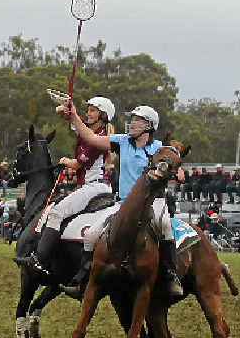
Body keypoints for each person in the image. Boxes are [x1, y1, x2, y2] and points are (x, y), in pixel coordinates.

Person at [56, 102, 183, 299]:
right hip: (123, 203)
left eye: (137, 120)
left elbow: (179, 169)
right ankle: (82, 279)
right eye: (131, 119)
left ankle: (171, 276)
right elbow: (89, 137)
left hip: (154, 202)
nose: (131, 123)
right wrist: (73, 116)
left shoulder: (160, 148)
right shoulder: (121, 141)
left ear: (149, 125)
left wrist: (172, 170)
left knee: (165, 225)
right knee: (91, 234)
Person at [15, 96, 115, 280]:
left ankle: (39, 258)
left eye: (93, 110)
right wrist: (69, 112)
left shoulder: (100, 137)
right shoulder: (90, 131)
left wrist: (65, 161)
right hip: (93, 186)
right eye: (88, 110)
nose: (89, 113)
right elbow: (77, 125)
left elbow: (78, 164)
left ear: (103, 115)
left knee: (57, 212)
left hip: (94, 187)